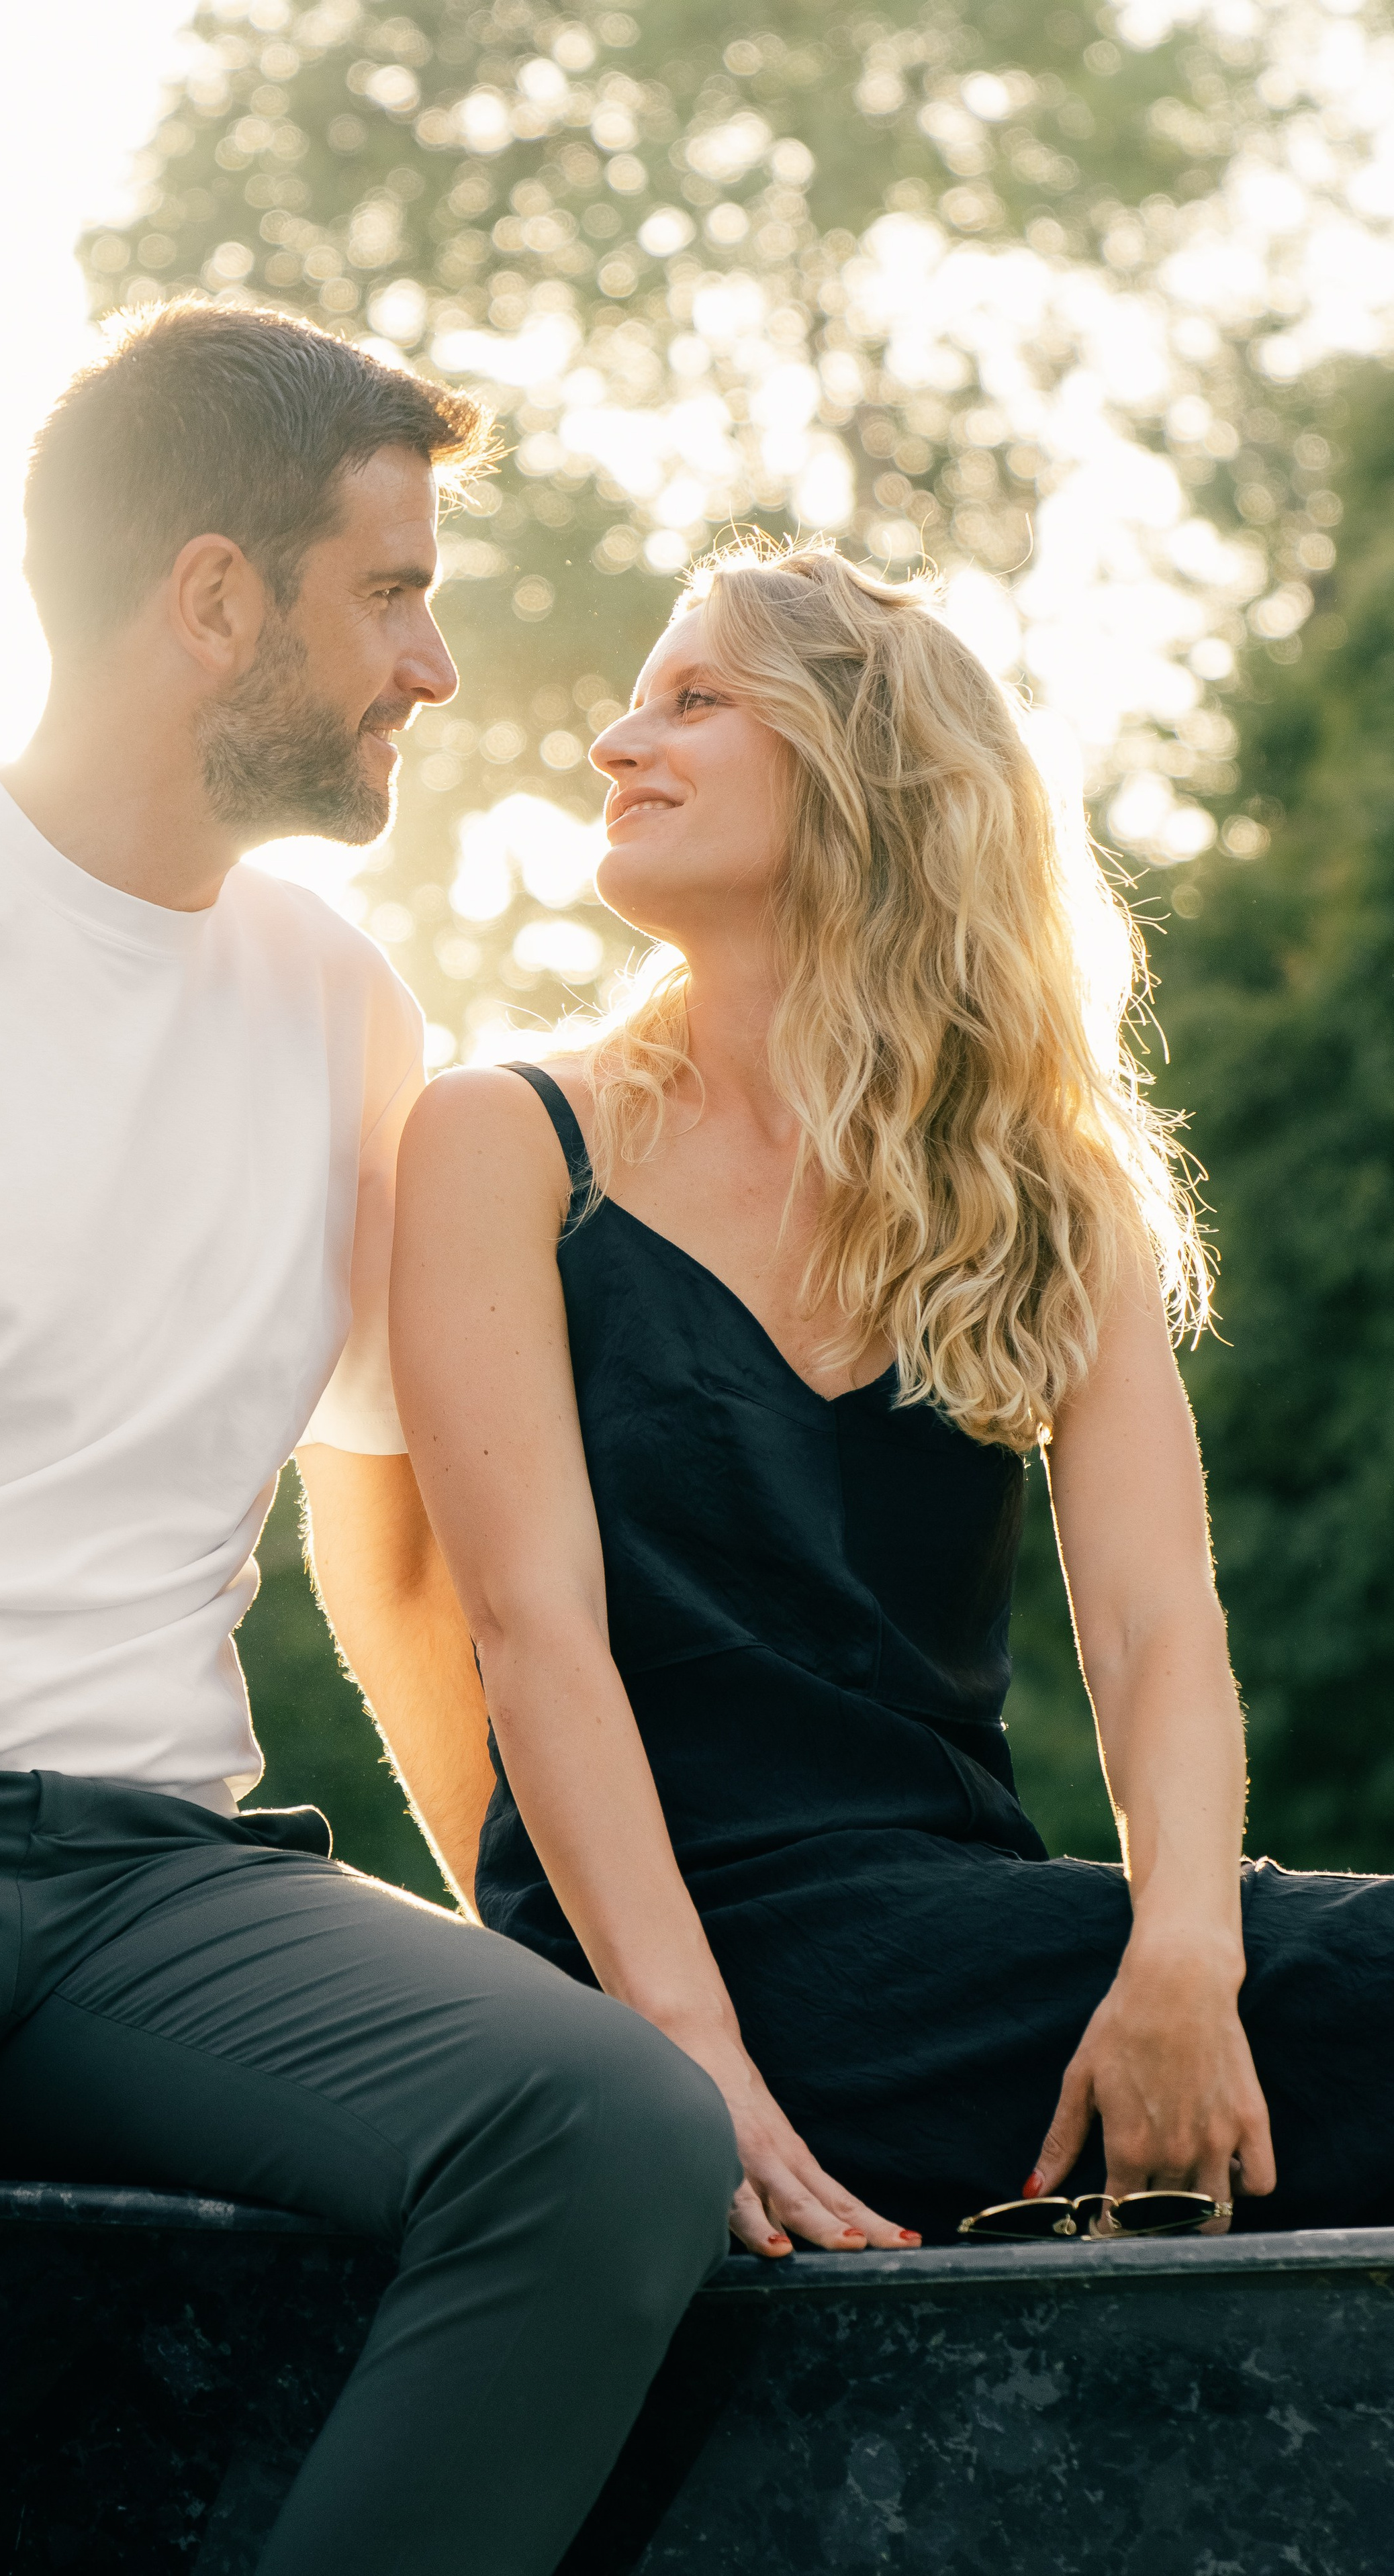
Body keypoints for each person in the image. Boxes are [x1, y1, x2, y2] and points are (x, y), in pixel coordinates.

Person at [0, 301, 740, 2576]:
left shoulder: (343, 1003)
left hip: (160, 1884)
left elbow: (393, 1552)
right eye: (393, 590)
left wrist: (514, 1928)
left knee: (614, 2126)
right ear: (215, 598)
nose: (435, 666)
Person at [391, 538, 1394, 2262]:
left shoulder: (1045, 1186)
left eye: (692, 697)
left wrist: (1178, 1954)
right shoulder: (503, 1135)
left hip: (952, 1930)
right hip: (656, 1951)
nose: (615, 743)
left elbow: (1160, 1627)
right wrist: (690, 2061)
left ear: (866, 765)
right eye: (635, 702)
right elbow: (525, 1628)